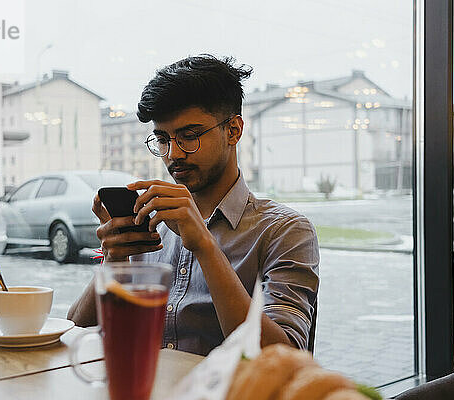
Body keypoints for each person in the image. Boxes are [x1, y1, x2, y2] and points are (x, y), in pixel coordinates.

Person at [68, 55, 319, 356]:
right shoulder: (150, 221)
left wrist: (205, 246)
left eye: (189, 136)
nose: (173, 154)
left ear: (233, 130)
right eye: (162, 139)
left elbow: (286, 356)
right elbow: (75, 334)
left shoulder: (284, 230)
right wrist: (113, 260)